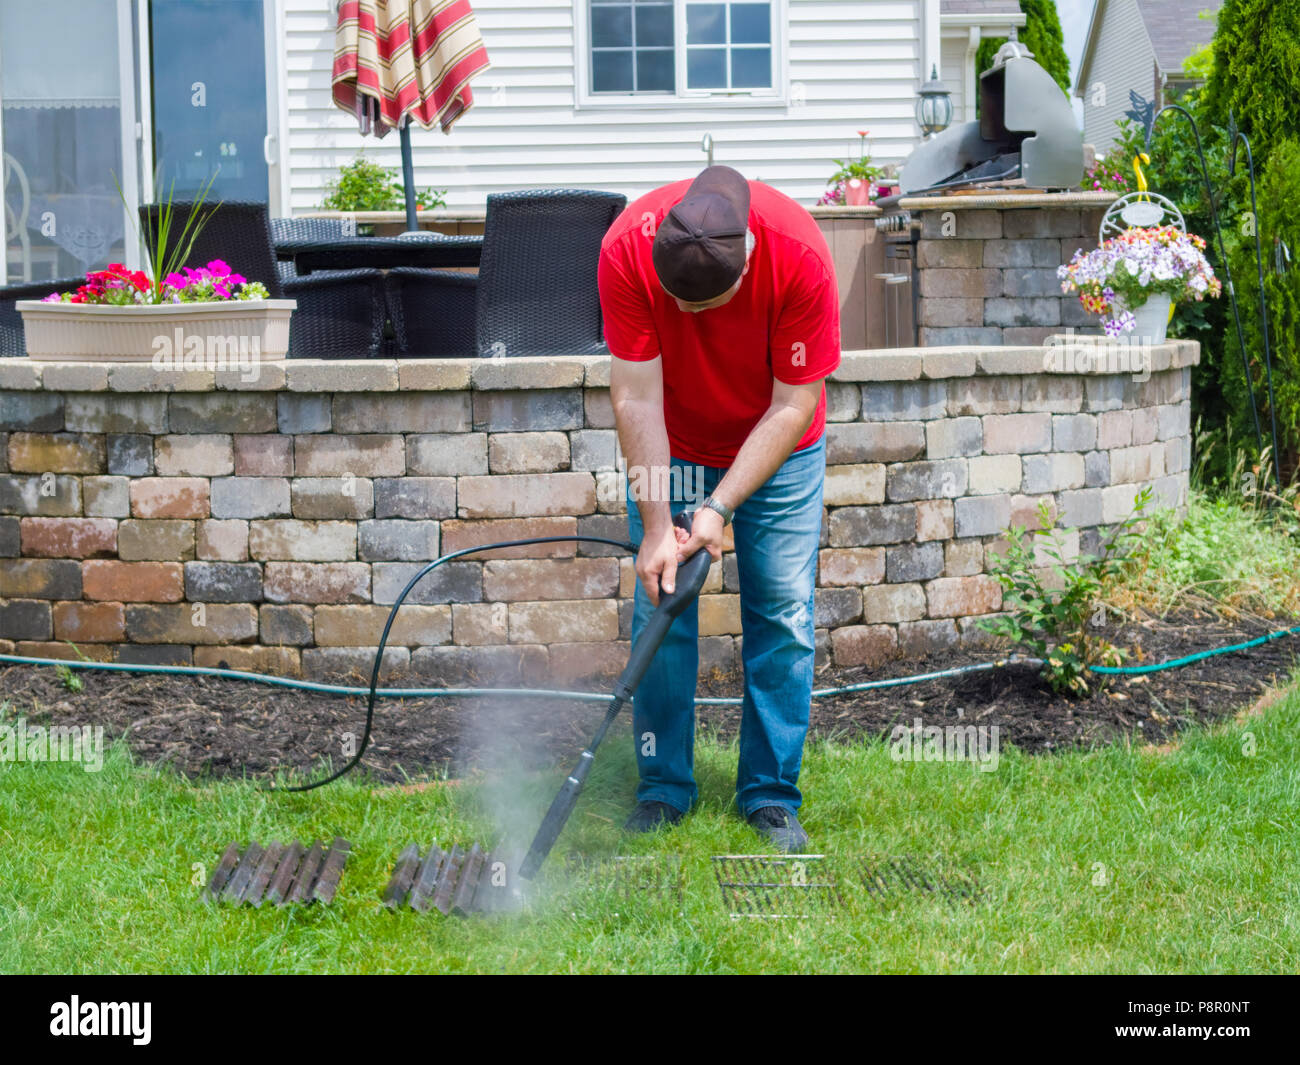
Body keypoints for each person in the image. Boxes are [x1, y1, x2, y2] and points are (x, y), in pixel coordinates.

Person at [596, 164, 841, 852]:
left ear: (751, 258)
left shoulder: (798, 252)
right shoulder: (624, 249)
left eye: (709, 303)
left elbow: (795, 402)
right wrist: (655, 528)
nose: (692, 319)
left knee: (784, 610)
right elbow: (636, 398)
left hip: (778, 445)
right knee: (662, 600)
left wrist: (721, 505)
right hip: (670, 442)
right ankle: (663, 788)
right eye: (682, 305)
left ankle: (768, 793)